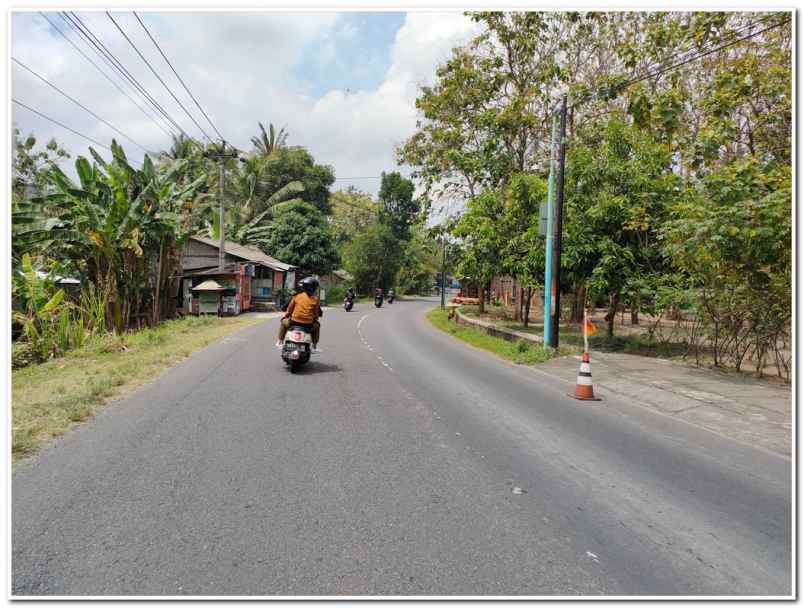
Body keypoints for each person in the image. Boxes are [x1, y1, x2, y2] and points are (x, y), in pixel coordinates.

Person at [276, 277, 323, 351]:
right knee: (317, 326)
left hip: (293, 322)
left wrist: (285, 316)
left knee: (283, 322)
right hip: (308, 325)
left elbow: (289, 309)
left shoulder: (297, 296)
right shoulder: (315, 300)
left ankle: (280, 341)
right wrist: (315, 320)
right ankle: (314, 345)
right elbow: (316, 313)